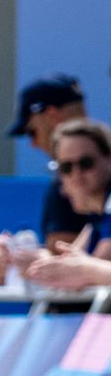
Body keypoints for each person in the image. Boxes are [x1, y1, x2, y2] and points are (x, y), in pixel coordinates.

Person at [0, 76, 97, 285]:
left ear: (52, 116)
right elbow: (74, 262)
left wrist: (10, 267)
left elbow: (70, 270)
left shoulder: (76, 184)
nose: (33, 144)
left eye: (32, 132)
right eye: (66, 169)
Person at [23, 119, 111, 292]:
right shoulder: (97, 217)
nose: (76, 175)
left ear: (108, 159)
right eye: (66, 167)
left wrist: (85, 270)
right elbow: (70, 270)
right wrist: (22, 263)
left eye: (86, 163)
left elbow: (94, 266)